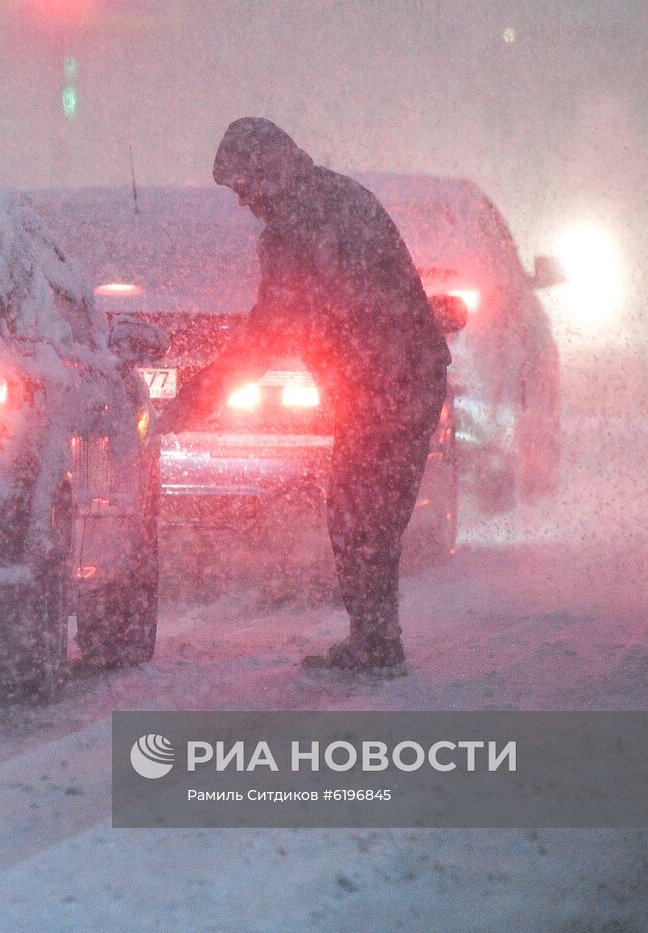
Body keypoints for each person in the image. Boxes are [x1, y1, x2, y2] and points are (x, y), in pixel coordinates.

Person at [161, 117, 450, 671]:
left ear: (266, 171)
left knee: (360, 511)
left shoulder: (300, 225)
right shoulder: (335, 199)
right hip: (401, 377)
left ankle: (376, 644)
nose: (244, 202)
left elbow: (269, 333)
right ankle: (376, 639)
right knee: (367, 512)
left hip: (385, 384)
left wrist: (190, 405)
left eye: (244, 187)